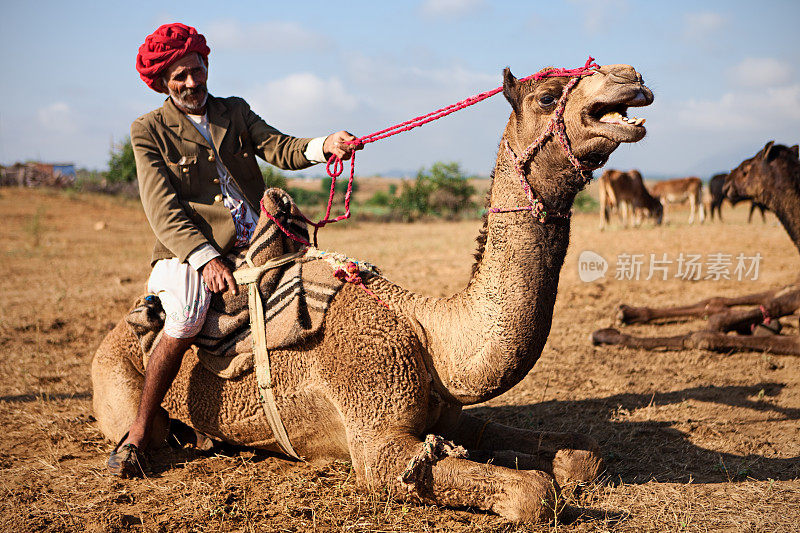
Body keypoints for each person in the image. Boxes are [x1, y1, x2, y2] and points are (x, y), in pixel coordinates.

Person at [107, 22, 361, 477]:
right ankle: (141, 431)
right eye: (179, 76)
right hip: (189, 251)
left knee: (324, 279)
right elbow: (162, 206)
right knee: (186, 314)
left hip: (260, 236)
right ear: (163, 81)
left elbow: (280, 148)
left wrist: (326, 145)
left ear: (206, 65)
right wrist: (205, 258)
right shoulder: (147, 130)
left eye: (196, 70)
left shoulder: (235, 111)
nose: (191, 82)